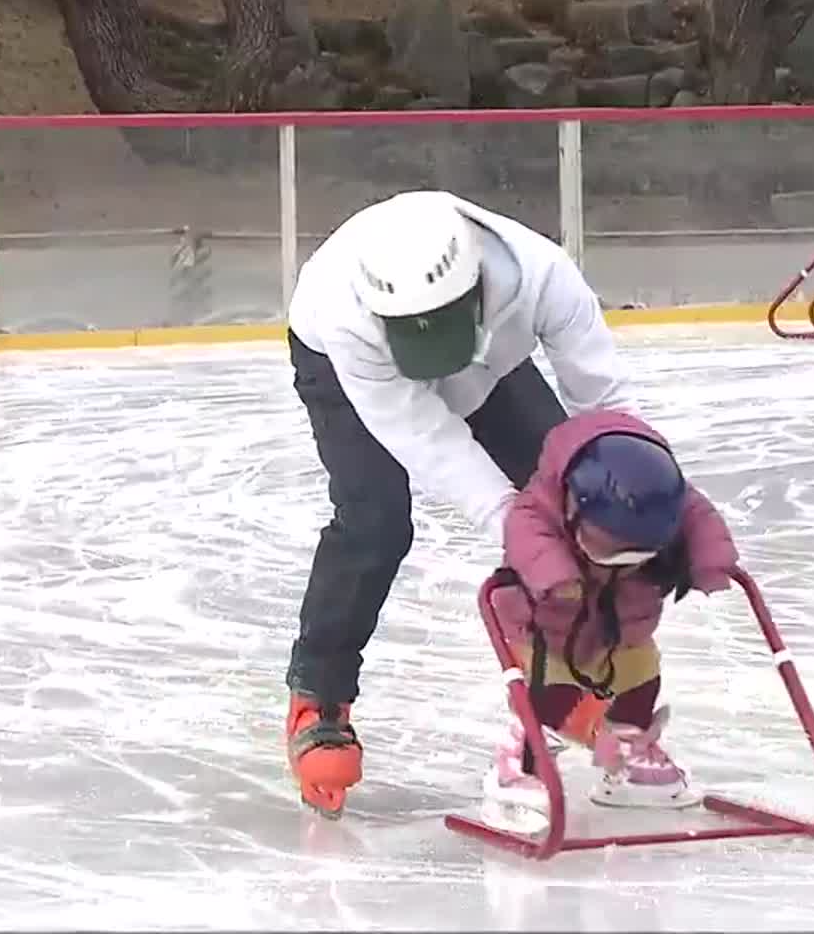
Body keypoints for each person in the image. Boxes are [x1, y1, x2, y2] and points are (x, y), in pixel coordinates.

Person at [283, 189, 635, 816]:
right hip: (345, 366)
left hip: (490, 360)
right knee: (376, 520)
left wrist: (624, 480)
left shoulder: (541, 275)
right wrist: (513, 523)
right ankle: (321, 693)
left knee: (570, 502)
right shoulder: (346, 319)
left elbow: (600, 399)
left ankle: (563, 675)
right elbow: (426, 437)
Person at [481, 410, 742, 833]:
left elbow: (700, 519)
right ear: (573, 504)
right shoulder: (541, 505)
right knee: (548, 696)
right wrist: (554, 575)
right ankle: (520, 763)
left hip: (625, 623)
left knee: (641, 675)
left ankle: (630, 748)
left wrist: (713, 562)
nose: (623, 557)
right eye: (609, 546)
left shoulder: (665, 491)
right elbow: (525, 535)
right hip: (546, 628)